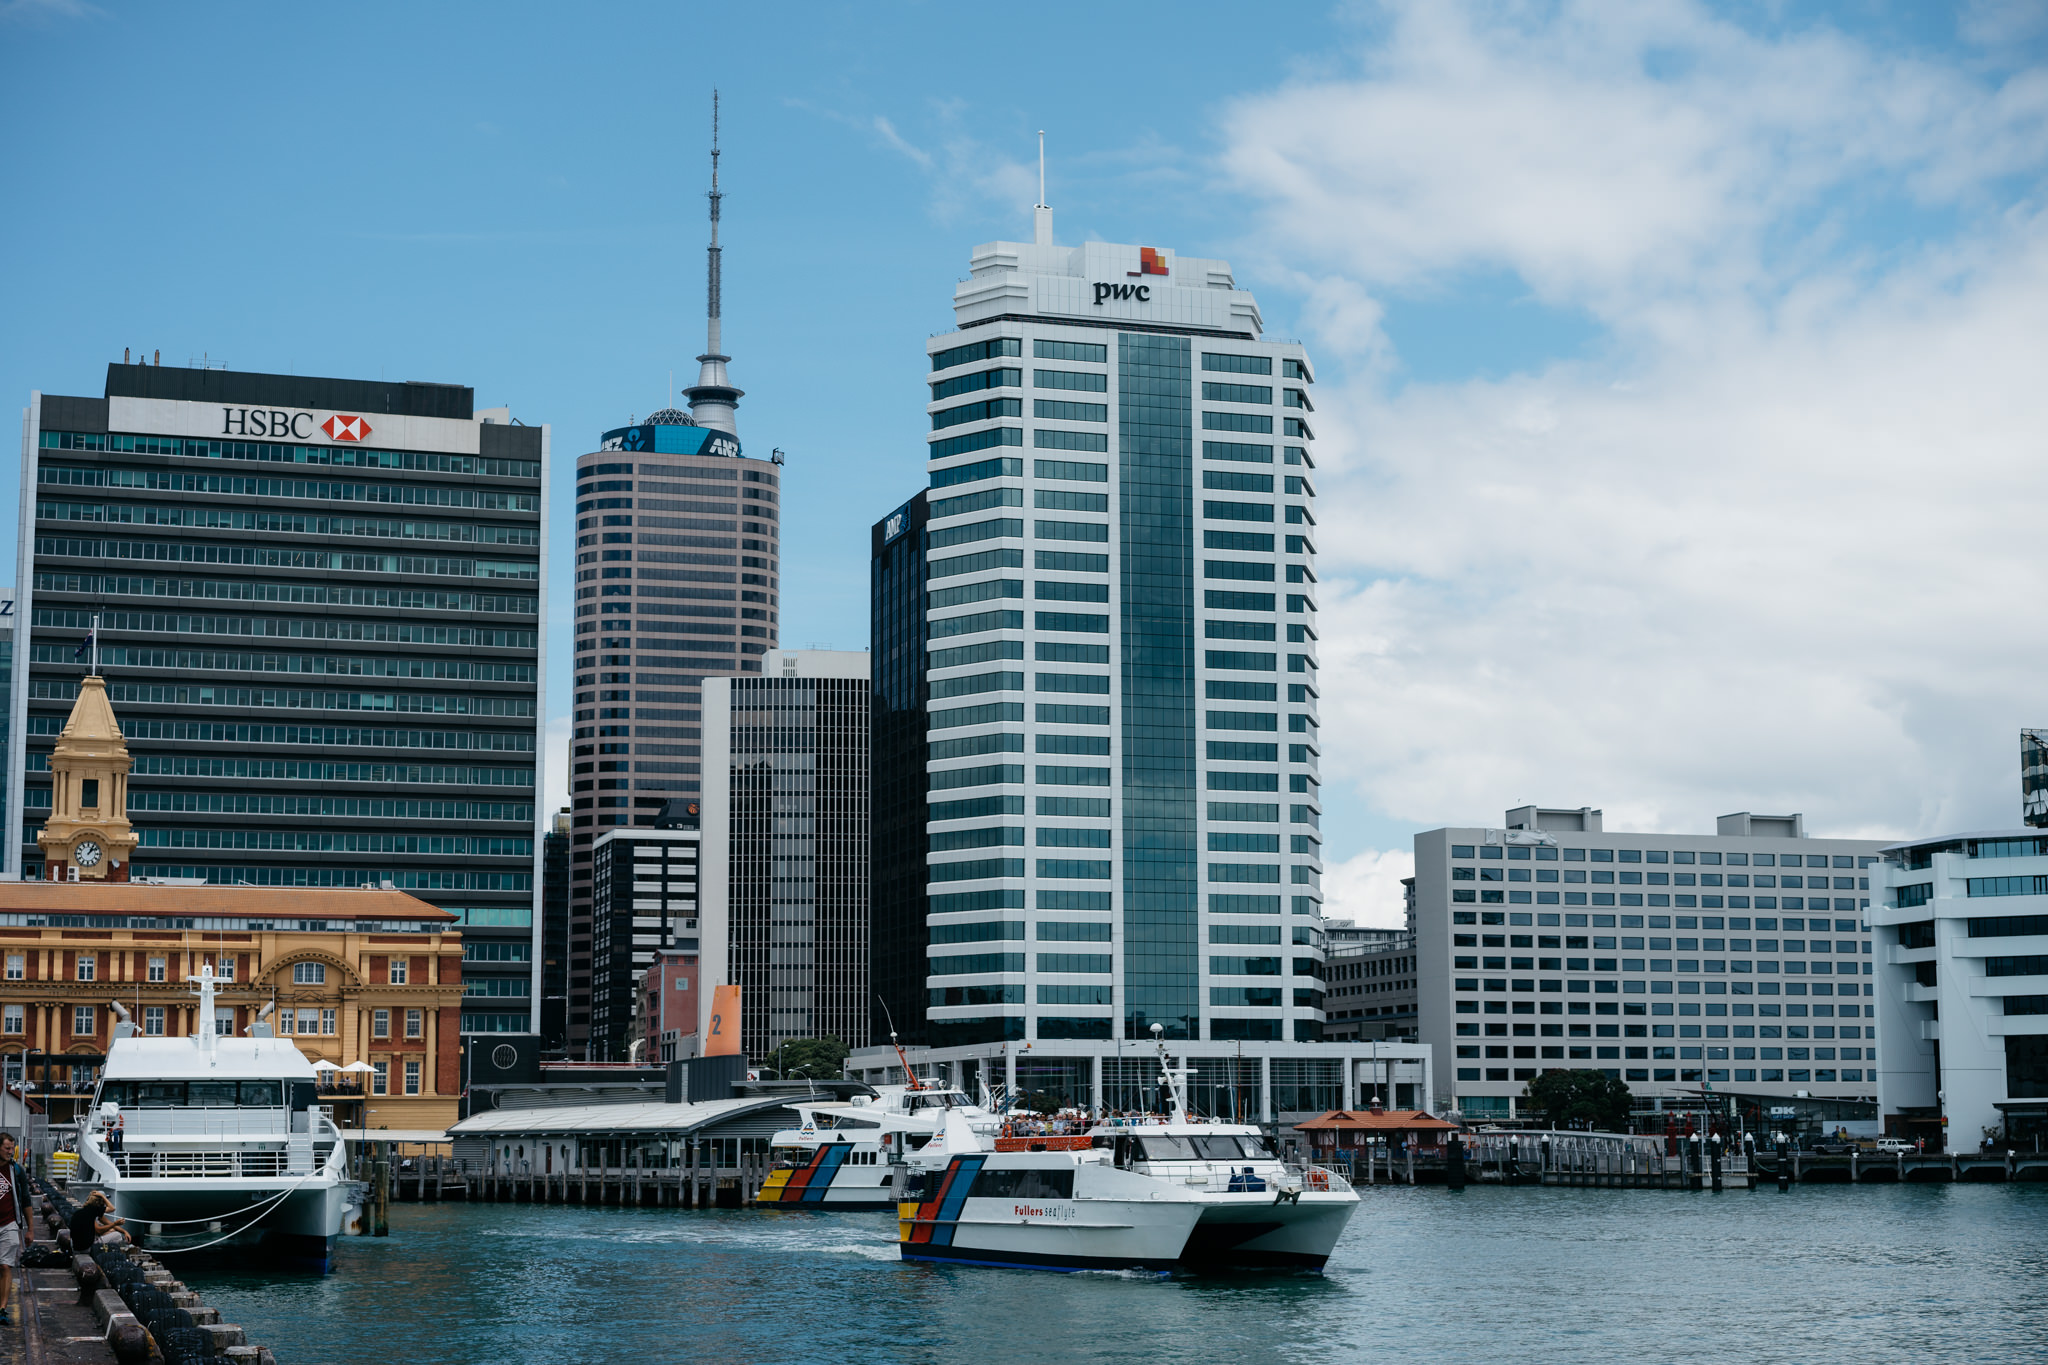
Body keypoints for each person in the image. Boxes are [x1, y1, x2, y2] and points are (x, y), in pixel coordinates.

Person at [0, 1132, 36, 1327]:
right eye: (6, 1148)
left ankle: (2, 1309)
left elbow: (26, 1200)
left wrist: (30, 1229)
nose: (9, 1152)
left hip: (10, 1223)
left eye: (12, 1149)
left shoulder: (17, 1171)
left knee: (5, 1265)